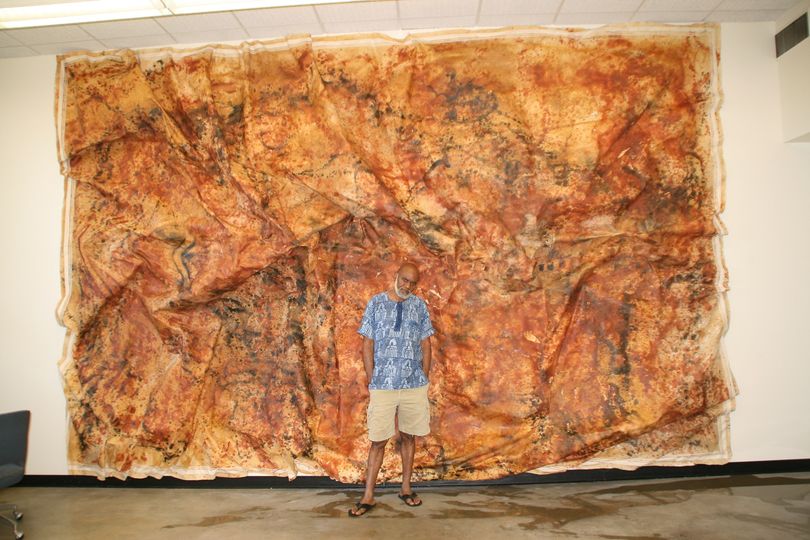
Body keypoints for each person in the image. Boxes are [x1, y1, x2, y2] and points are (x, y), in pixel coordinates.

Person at [348, 262, 435, 517]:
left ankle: (406, 488)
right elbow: (367, 344)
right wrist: (373, 378)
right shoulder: (375, 303)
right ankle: (368, 496)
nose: (408, 286)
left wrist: (424, 377)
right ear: (396, 276)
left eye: (413, 283)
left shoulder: (419, 306)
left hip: (413, 385)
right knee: (378, 441)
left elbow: (426, 344)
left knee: (409, 437)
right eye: (405, 280)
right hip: (383, 385)